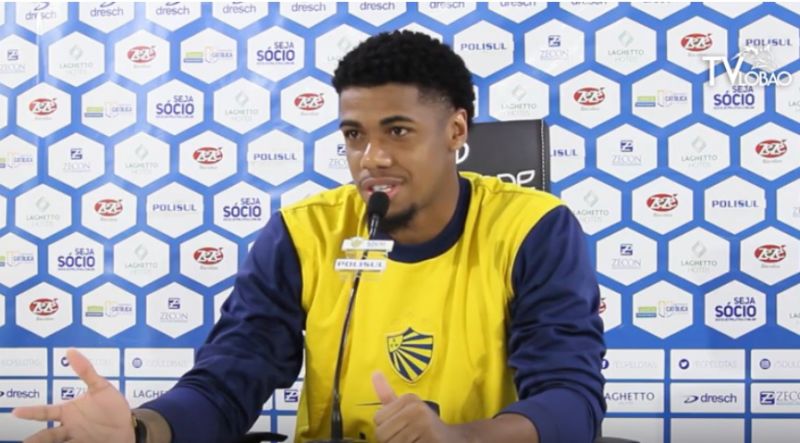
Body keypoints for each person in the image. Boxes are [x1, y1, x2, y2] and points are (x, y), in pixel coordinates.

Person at [13, 30, 605, 443]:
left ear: (455, 130)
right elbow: (228, 380)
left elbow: (570, 400)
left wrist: (457, 438)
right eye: (354, 135)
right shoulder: (303, 232)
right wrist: (142, 431)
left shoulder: (534, 228)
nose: (372, 157)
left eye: (398, 131)